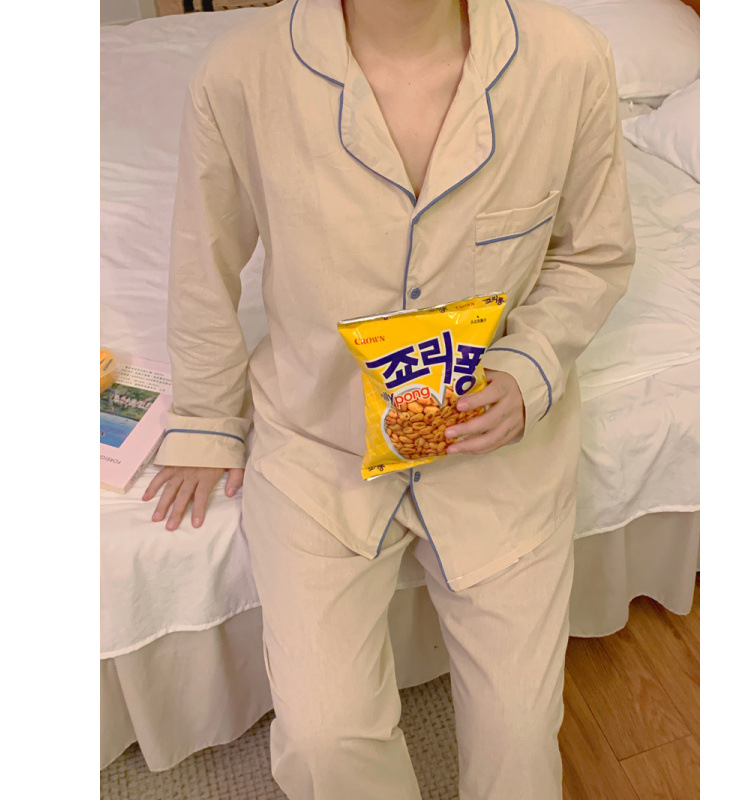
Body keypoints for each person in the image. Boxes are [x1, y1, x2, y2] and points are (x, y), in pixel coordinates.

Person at [142, 0, 635, 797]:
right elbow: (204, 260)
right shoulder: (239, 74)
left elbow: (595, 254)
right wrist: (204, 420)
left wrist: (530, 366)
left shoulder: (569, 61)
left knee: (519, 744)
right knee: (324, 741)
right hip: (319, 441)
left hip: (493, 447)